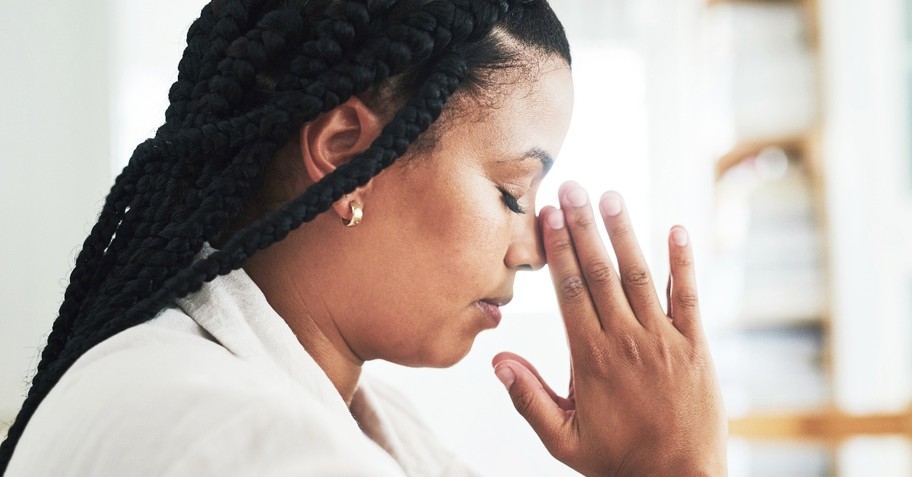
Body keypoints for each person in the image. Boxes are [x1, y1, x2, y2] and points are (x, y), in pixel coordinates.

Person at [0, 0, 727, 475]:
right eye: (511, 192)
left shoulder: (344, 415)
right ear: (347, 154)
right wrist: (673, 466)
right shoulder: (241, 438)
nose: (533, 248)